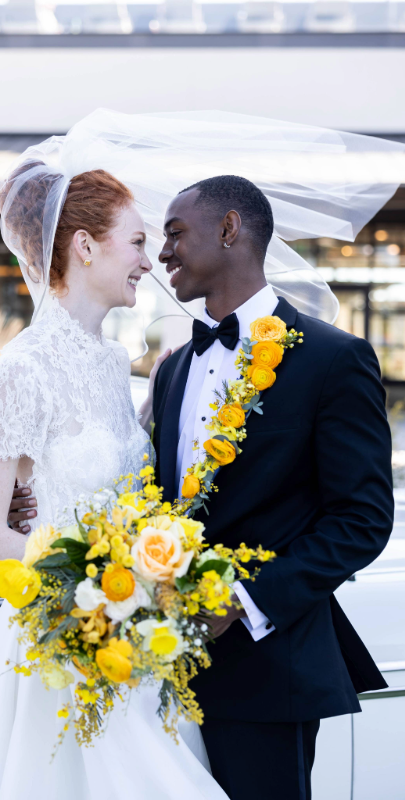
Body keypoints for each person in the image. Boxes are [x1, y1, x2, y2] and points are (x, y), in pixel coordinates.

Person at [0, 166, 228, 800]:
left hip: (132, 642)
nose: (152, 260)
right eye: (137, 242)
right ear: (85, 246)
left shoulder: (115, 363)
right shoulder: (24, 366)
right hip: (64, 648)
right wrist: (101, 572)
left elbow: (112, 470)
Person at [150, 175, 393, 799]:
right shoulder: (173, 368)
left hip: (270, 673)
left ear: (229, 229)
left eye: (176, 234)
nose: (163, 253)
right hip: (160, 672)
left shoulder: (334, 359)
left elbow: (361, 519)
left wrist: (243, 603)